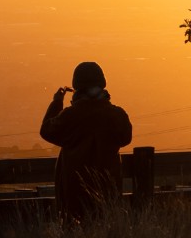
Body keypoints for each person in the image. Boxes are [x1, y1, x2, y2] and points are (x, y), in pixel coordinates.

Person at [40, 60, 133, 221]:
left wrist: (57, 103)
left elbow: (47, 131)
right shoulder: (117, 115)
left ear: (77, 86)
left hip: (74, 193)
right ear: (102, 84)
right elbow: (126, 138)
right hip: (108, 192)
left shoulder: (70, 116)